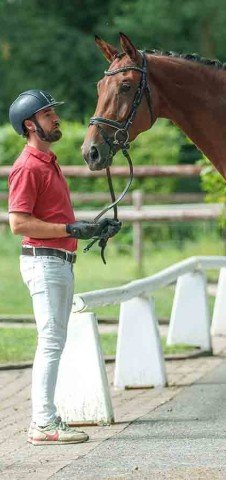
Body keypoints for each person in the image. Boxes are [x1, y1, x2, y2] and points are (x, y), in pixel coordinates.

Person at [7, 90, 120, 445]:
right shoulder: (27, 166)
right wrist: (68, 229)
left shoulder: (48, 162)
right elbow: (18, 223)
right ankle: (43, 423)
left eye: (53, 111)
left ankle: (46, 418)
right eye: (47, 113)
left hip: (59, 262)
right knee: (51, 342)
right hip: (45, 263)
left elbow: (56, 217)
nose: (55, 118)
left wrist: (91, 226)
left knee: (54, 340)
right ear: (30, 125)